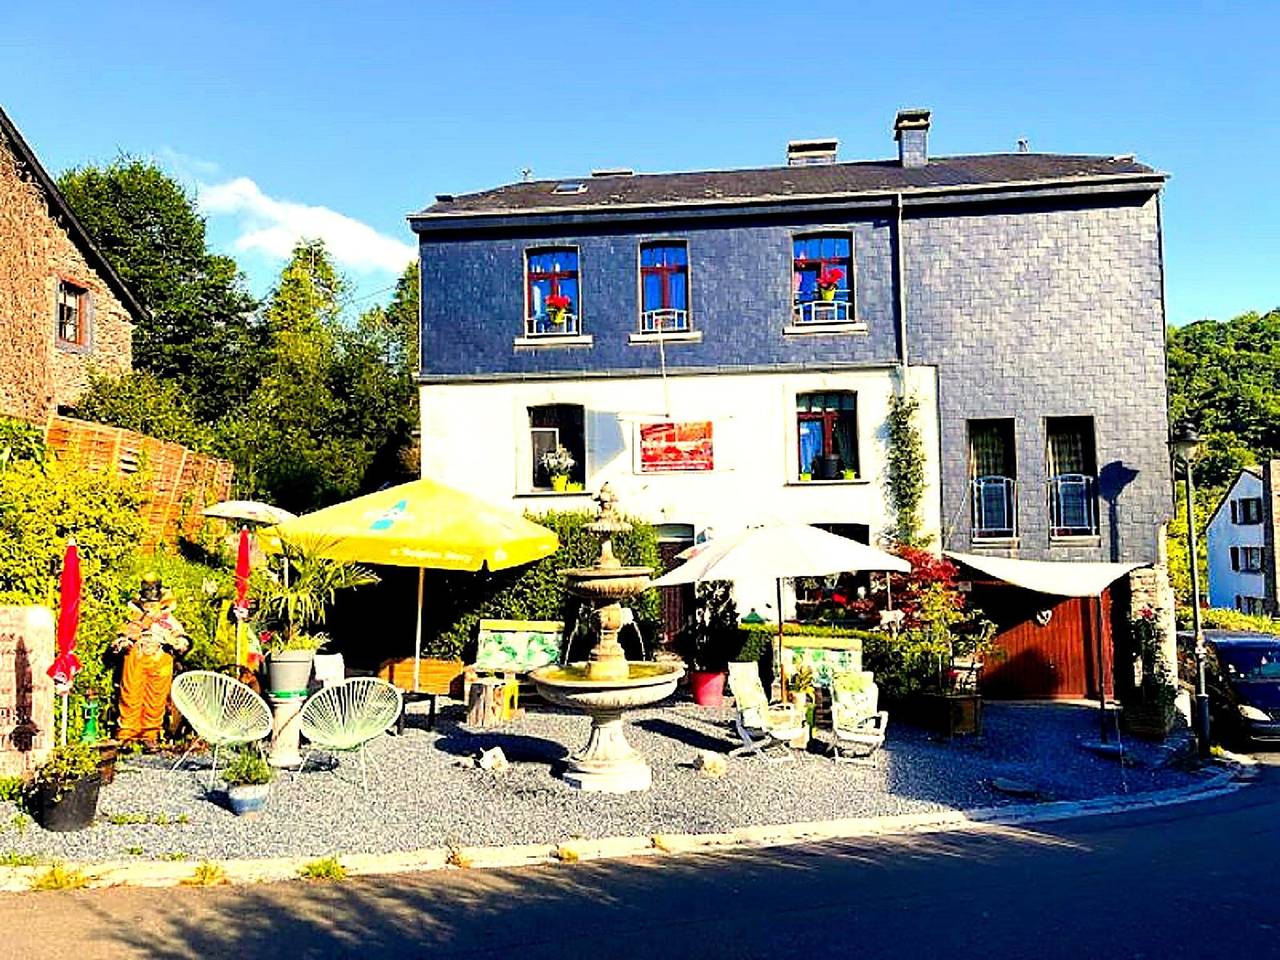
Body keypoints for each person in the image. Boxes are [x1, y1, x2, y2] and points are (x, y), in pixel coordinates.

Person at [113, 573, 189, 743]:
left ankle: (150, 732)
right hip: (137, 658)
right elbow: (123, 636)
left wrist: (179, 643)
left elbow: (182, 638)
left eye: (153, 604)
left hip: (159, 659)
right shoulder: (134, 618)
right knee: (130, 694)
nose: (149, 607)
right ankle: (127, 730)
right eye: (147, 604)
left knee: (156, 697)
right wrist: (122, 642)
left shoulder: (169, 620)